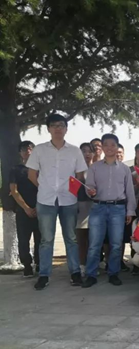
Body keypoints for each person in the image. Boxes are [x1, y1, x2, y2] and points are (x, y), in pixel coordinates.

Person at [27, 114, 88, 290]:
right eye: (54, 125)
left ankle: (75, 273)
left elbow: (80, 175)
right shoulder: (39, 150)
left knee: (71, 238)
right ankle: (44, 275)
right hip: (45, 200)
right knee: (46, 239)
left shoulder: (74, 151)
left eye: (61, 125)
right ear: (48, 129)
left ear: (66, 129)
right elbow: (31, 174)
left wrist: (70, 190)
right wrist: (44, 187)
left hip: (68, 200)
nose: (58, 129)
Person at [82, 134, 136, 288]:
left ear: (117, 147)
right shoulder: (94, 167)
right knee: (94, 243)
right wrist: (91, 192)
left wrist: (130, 211)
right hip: (98, 207)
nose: (110, 148)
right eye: (106, 144)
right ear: (102, 147)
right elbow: (89, 186)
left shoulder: (124, 169)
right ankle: (91, 274)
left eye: (113, 145)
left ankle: (113, 273)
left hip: (118, 209)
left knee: (116, 244)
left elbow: (130, 191)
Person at [9, 141, 40, 278]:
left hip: (40, 209)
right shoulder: (15, 169)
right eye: (24, 149)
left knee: (41, 239)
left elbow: (45, 188)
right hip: (22, 210)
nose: (27, 151)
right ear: (20, 153)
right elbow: (14, 191)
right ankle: (27, 265)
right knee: (23, 240)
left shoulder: (40, 169)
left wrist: (38, 206)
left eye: (30, 148)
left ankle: (40, 264)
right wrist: (26, 208)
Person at [75, 143, 95, 274]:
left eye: (89, 151)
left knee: (93, 239)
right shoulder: (75, 169)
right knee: (81, 238)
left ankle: (93, 265)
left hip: (95, 207)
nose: (87, 154)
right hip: (80, 207)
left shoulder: (97, 169)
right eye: (84, 151)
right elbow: (72, 190)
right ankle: (82, 265)